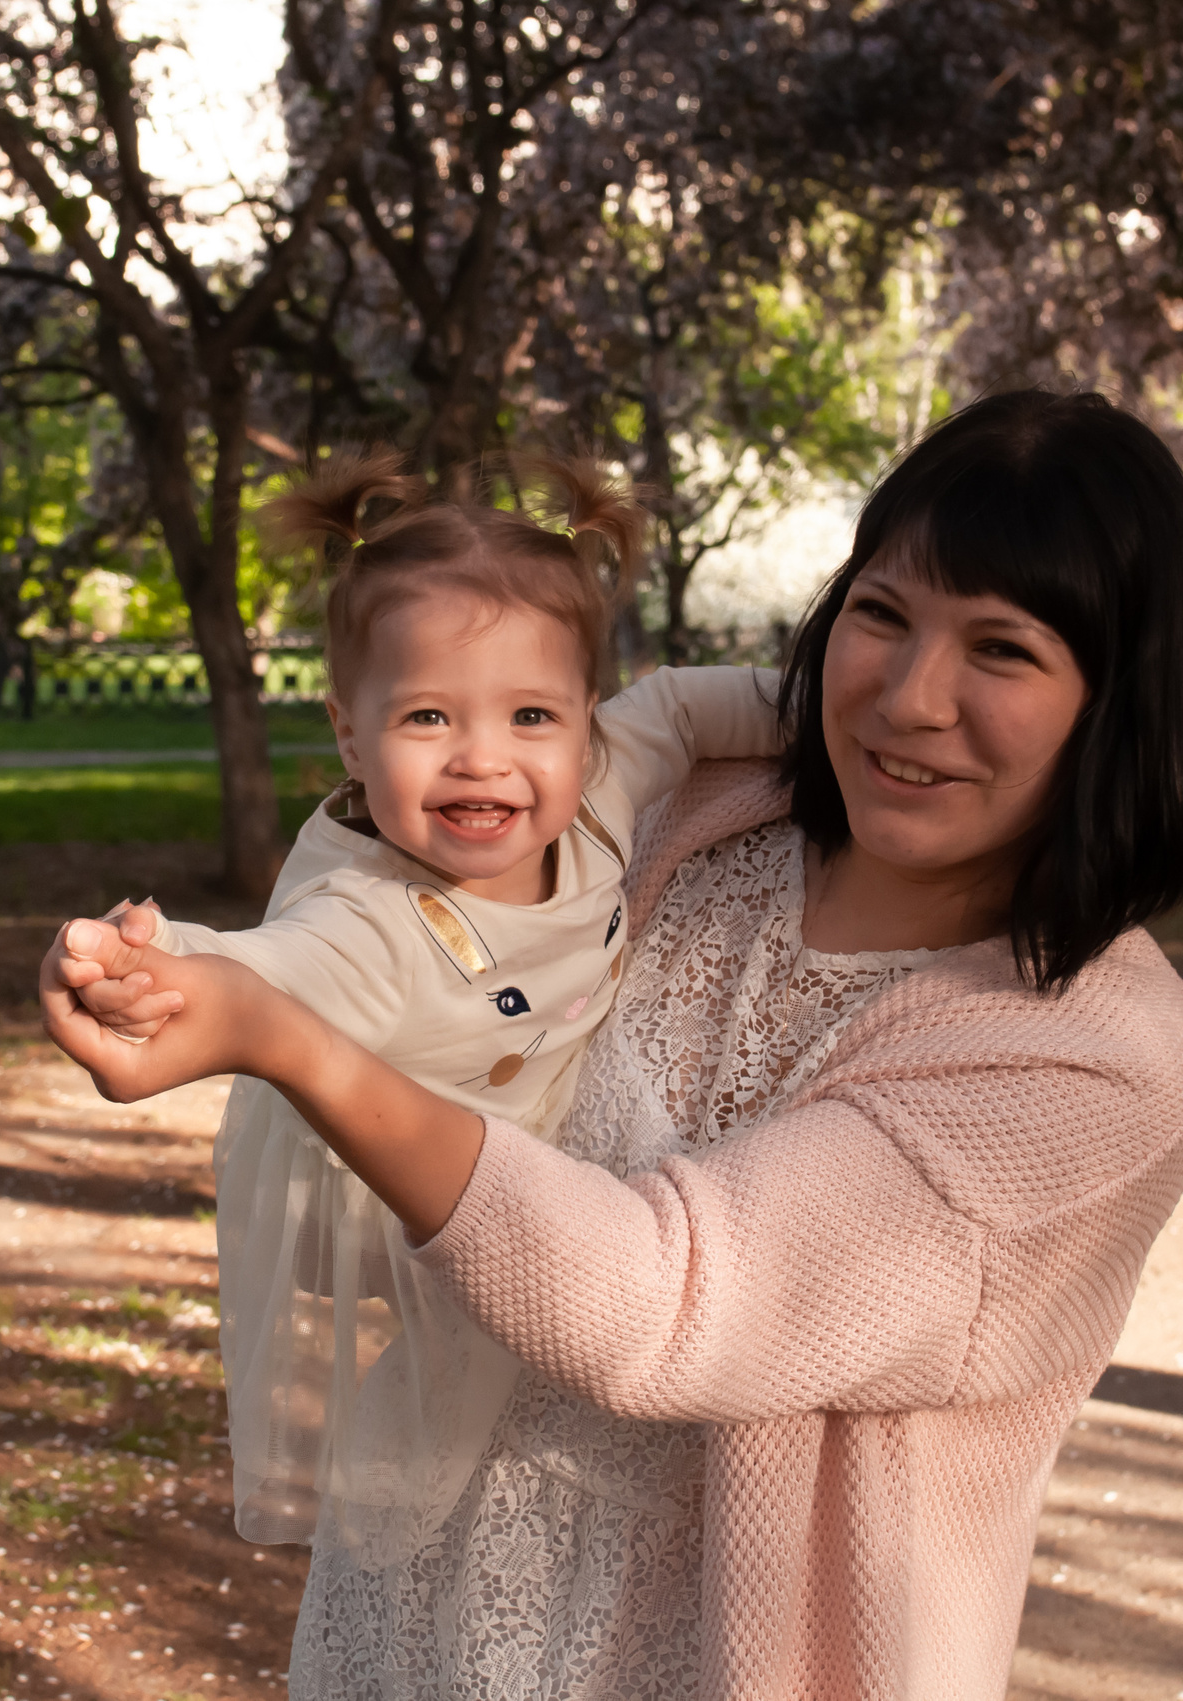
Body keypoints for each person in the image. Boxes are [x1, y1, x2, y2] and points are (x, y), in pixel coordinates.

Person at [48, 389, 1183, 1700]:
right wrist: (195, 975)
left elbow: (661, 1300)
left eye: (1004, 651)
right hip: (413, 1619)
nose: (910, 697)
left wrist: (286, 1044)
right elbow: (412, 945)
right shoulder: (685, 822)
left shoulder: (1098, 1061)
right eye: (881, 614)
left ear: (1122, 704)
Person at [66, 447, 782, 1565]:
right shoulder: (376, 919)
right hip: (412, 1176)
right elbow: (273, 966)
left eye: (530, 716)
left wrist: (834, 721)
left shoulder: (607, 779)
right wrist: (150, 958)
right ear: (351, 737)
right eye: (428, 719)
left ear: (586, 719)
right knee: (482, 1426)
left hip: (545, 1120)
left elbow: (691, 708)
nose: (483, 761)